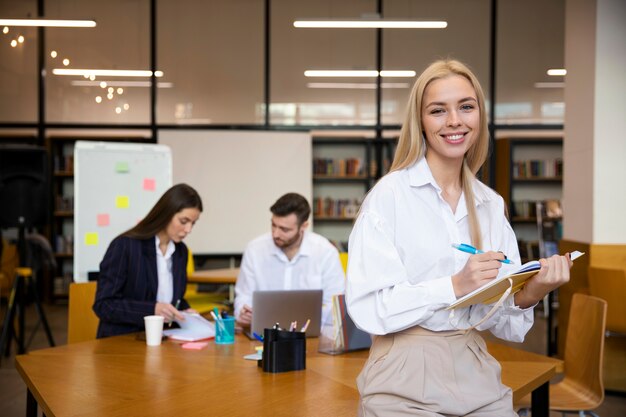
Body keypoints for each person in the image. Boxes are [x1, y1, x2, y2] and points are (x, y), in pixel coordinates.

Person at [346, 59, 572, 416]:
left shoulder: (489, 204)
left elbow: (504, 322)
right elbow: (369, 307)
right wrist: (453, 285)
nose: (455, 121)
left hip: (474, 365)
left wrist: (535, 290)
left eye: (466, 107)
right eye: (438, 110)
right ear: (420, 121)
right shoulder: (389, 196)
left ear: (479, 115)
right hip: (402, 375)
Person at [93, 183, 202, 338]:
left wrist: (185, 313)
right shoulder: (125, 246)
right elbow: (104, 305)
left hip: (163, 341)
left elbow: (173, 300)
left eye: (193, 223)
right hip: (123, 342)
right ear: (166, 213)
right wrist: (152, 310)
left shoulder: (180, 252)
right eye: (184, 221)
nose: (188, 229)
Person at [234, 192, 345, 329]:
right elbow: (243, 296)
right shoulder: (255, 249)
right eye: (273, 225)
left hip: (312, 335)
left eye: (284, 229)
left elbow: (335, 304)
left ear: (304, 226)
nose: (275, 234)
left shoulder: (325, 252)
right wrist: (243, 312)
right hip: (263, 334)